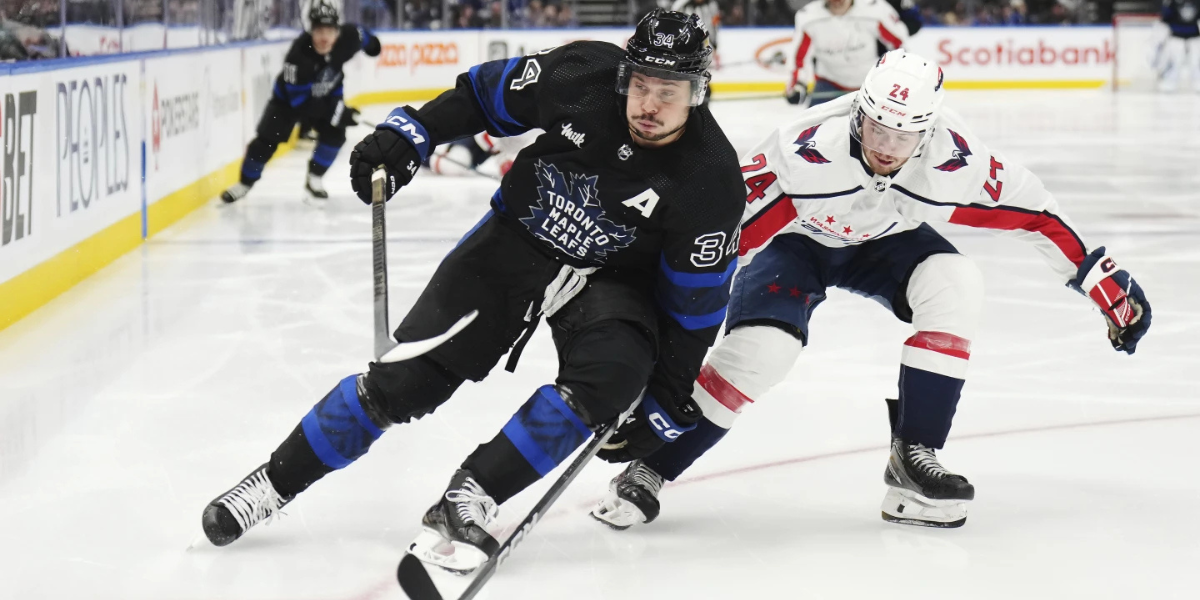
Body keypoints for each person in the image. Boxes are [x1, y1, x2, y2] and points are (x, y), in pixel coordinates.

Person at [199, 9, 745, 575]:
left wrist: (663, 396)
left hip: (610, 280)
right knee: (403, 384)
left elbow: (694, 307)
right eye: (640, 85)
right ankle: (273, 481)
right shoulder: (581, 72)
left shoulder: (711, 180)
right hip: (513, 245)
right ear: (624, 75)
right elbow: (485, 96)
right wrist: (411, 132)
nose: (648, 105)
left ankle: (469, 498)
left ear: (698, 91)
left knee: (614, 375)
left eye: (668, 91)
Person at [591, 49, 1153, 531]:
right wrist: (653, 335)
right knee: (762, 353)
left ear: (928, 133)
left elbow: (1037, 214)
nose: (886, 147)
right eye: (877, 128)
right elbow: (719, 243)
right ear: (859, 113)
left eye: (903, 136)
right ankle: (650, 465)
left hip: (889, 242)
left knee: (957, 284)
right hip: (799, 243)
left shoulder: (955, 162)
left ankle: (915, 456)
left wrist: (1100, 281)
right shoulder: (802, 152)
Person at [220, 0, 381, 204]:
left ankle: (314, 179)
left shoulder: (349, 36)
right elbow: (303, 105)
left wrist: (373, 45)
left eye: (329, 31)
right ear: (311, 31)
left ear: (338, 31)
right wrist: (341, 113)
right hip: (287, 103)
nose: (324, 37)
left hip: (328, 94)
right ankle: (244, 183)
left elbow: (365, 36)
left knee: (335, 134)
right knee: (265, 141)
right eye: (319, 31)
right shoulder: (299, 56)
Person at [786, 0, 908, 107]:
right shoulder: (808, 17)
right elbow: (799, 58)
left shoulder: (874, 10)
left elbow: (899, 44)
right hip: (829, 83)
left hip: (869, 84)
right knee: (811, 129)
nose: (837, 2)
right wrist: (799, 85)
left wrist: (896, 76)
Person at [1157, 0, 1200, 92]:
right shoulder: (1172, 2)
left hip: (1194, 37)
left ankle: (1198, 82)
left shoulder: (1197, 2)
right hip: (1176, 36)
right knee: (1175, 62)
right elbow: (1165, 17)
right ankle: (1169, 82)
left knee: (1196, 62)